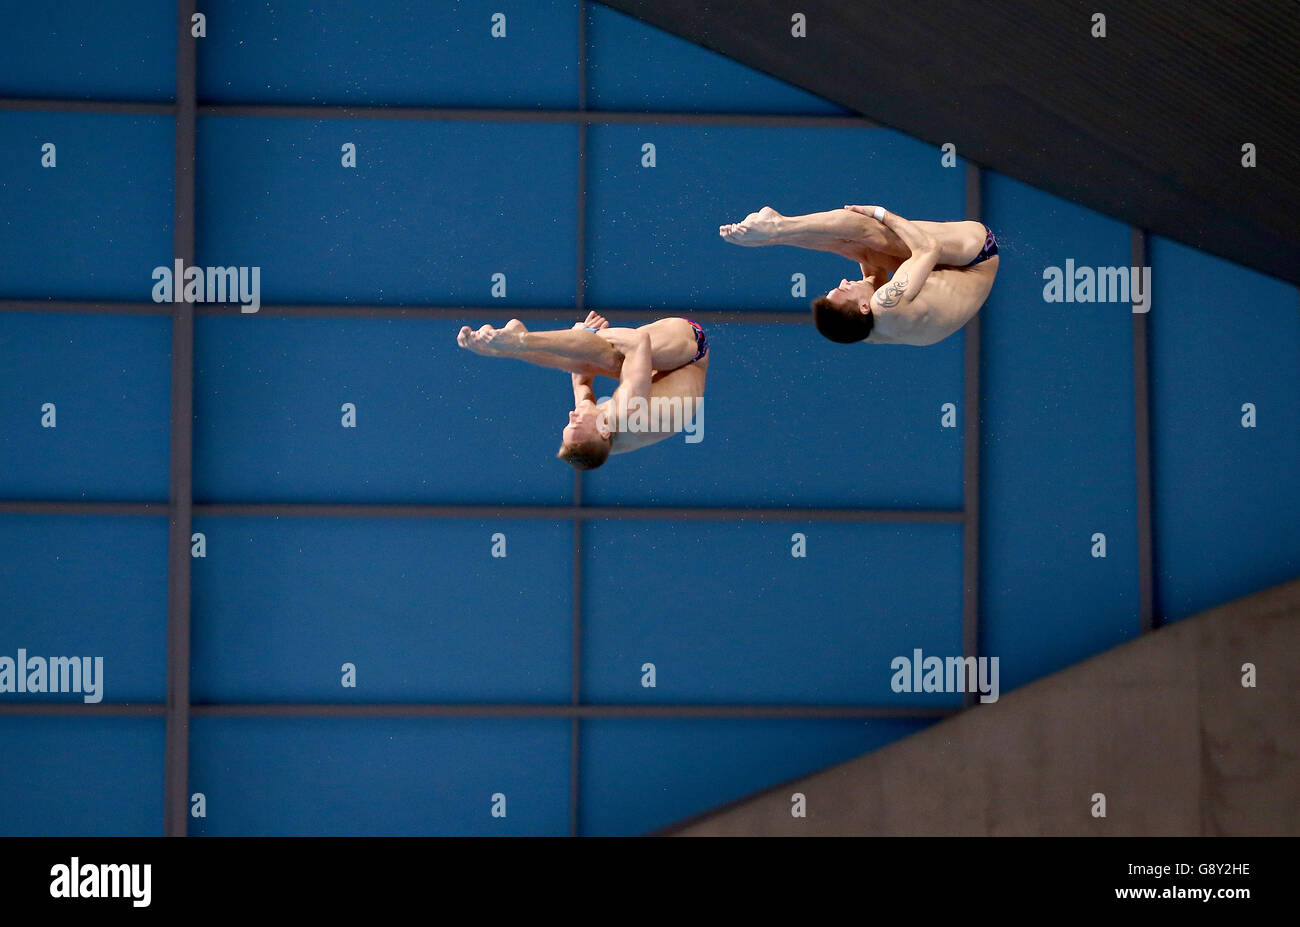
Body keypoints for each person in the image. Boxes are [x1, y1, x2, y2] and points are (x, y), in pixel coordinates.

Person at [720, 204, 998, 345]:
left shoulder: (867, 329)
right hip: (976, 253)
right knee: (867, 229)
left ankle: (775, 236)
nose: (843, 282)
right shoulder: (885, 304)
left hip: (946, 274)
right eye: (843, 290)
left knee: (860, 250)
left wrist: (859, 255)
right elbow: (928, 248)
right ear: (864, 306)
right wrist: (880, 213)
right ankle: (778, 227)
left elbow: (870, 276)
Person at [457, 313, 707, 469]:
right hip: (691, 348)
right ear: (604, 430)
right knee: (611, 357)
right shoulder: (627, 411)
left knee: (590, 359)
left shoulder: (599, 440)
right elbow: (638, 342)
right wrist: (587, 335)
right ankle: (520, 341)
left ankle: (510, 348)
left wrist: (576, 341)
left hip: (664, 368)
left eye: (569, 423)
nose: (571, 415)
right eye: (576, 422)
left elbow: (582, 383)